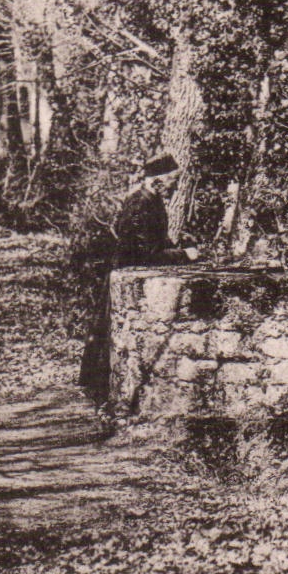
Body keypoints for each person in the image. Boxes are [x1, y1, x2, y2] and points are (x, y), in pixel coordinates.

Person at [79, 155, 198, 403]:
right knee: (107, 331)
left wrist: (176, 246)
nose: (176, 187)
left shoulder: (153, 201)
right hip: (125, 270)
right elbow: (146, 254)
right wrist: (183, 255)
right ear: (157, 181)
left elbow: (157, 241)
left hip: (130, 269)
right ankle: (99, 390)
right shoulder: (139, 204)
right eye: (173, 181)